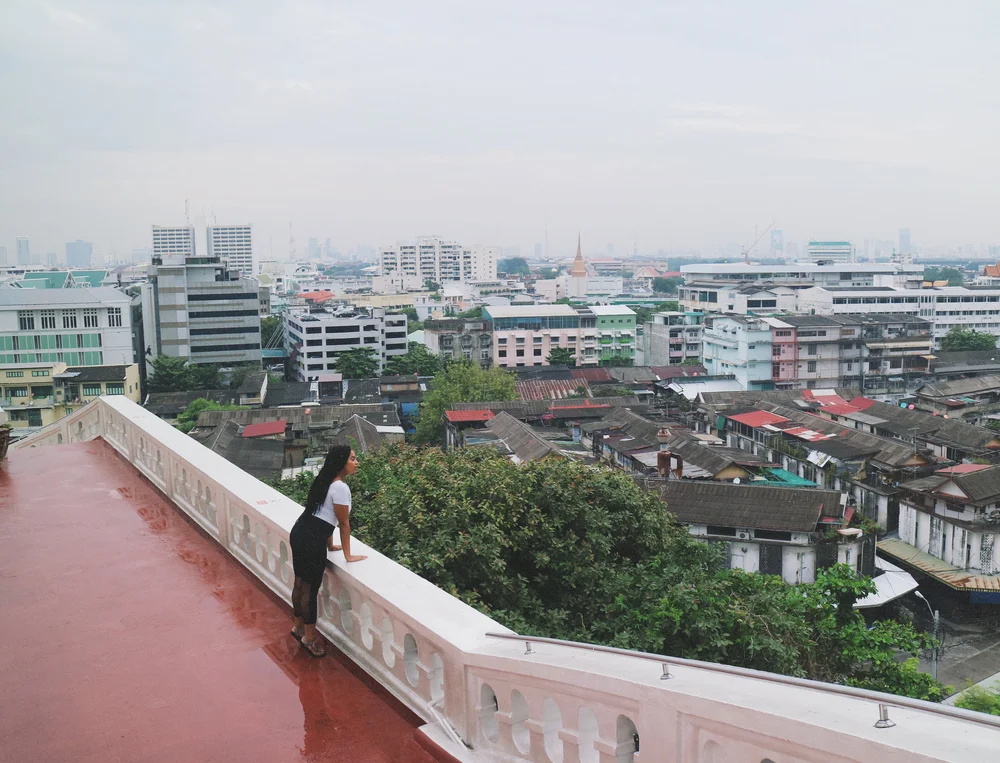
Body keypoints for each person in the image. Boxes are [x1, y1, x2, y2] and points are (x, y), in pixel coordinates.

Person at [289, 446, 366, 657]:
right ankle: (309, 639)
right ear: (341, 462)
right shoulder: (340, 487)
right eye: (352, 459)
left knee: (299, 583)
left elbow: (323, 515)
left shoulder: (324, 481)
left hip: (299, 532)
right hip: (312, 540)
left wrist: (330, 546)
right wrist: (348, 555)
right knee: (310, 590)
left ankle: (297, 628)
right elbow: (343, 523)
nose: (356, 462)